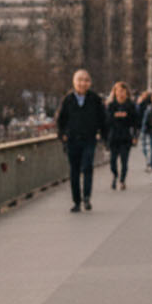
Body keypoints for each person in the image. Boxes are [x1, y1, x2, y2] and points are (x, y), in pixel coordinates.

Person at [55, 68, 107, 212]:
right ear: (74, 82)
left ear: (89, 83)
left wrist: (102, 136)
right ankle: (76, 201)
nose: (83, 83)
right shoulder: (68, 99)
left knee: (87, 167)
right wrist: (62, 135)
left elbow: (103, 119)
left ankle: (87, 197)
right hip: (72, 139)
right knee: (74, 171)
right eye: (80, 80)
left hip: (89, 138)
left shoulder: (95, 99)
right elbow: (60, 120)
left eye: (86, 80)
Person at [105, 81, 140, 190]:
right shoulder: (111, 105)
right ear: (115, 92)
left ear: (126, 93)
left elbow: (135, 122)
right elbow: (106, 121)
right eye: (118, 91)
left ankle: (122, 180)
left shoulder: (130, 105)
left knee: (124, 160)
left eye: (123, 91)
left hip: (125, 136)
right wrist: (115, 116)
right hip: (114, 136)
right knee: (113, 161)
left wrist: (135, 136)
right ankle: (115, 175)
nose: (121, 93)